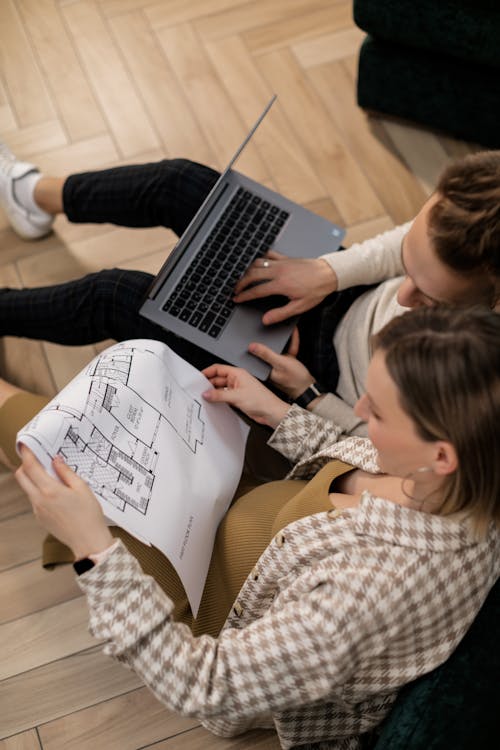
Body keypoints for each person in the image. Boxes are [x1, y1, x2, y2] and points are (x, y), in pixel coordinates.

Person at [13, 305, 500, 749]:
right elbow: (357, 463)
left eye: (378, 410)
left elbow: (206, 684)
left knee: (67, 460)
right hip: (255, 514)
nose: (358, 409)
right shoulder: (469, 477)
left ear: (441, 456)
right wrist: (279, 411)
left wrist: (94, 550)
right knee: (116, 413)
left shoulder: (362, 599)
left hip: (214, 613)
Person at [0, 143, 499, 445]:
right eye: (409, 271)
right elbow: (409, 245)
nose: (405, 299)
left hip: (316, 381)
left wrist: (307, 395)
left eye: (431, 299)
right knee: (178, 184)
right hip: (344, 290)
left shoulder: (481, 387)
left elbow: (383, 456)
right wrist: (328, 271)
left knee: (111, 295)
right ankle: (33, 195)